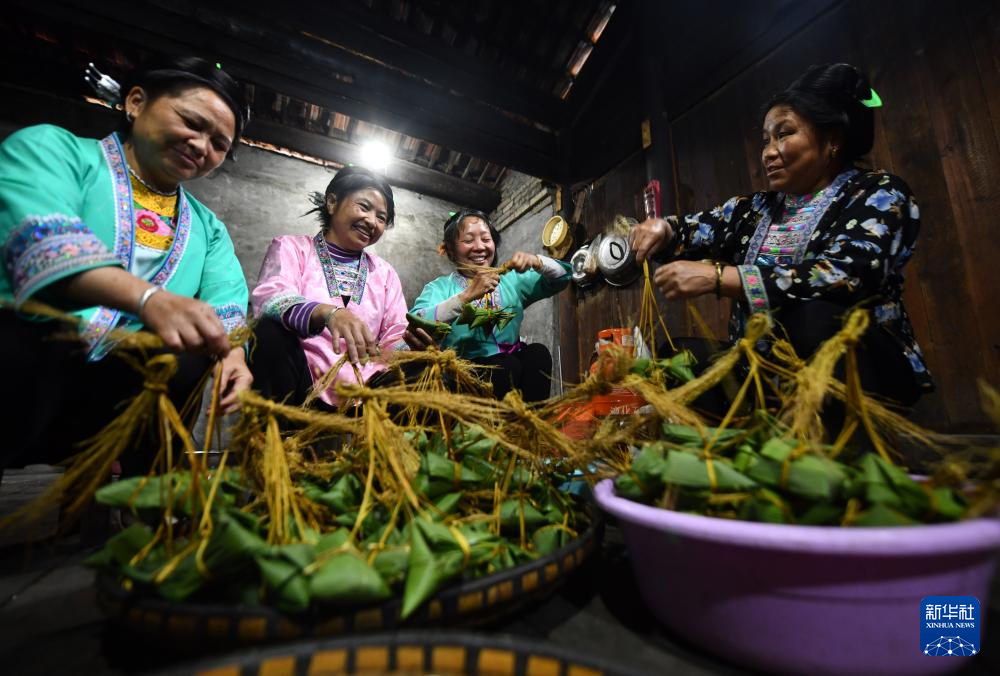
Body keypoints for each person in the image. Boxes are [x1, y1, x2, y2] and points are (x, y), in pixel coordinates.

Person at [0, 57, 252, 470]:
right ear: (136, 102)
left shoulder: (208, 229)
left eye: (219, 144)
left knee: (187, 358)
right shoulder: (52, 150)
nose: (201, 145)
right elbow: (40, 241)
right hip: (27, 365)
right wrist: (149, 300)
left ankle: (138, 495)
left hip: (120, 385)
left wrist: (233, 356)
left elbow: (226, 299)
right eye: (192, 122)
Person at [631, 62, 932, 409]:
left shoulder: (879, 194)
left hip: (860, 367)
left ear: (832, 140)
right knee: (678, 358)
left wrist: (720, 278)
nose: (769, 152)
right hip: (765, 371)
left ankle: (834, 435)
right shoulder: (756, 209)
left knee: (812, 319)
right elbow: (694, 229)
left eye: (784, 134)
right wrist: (664, 229)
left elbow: (844, 277)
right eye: (766, 140)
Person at [250, 166, 432, 409]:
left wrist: (411, 345)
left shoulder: (385, 273)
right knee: (269, 330)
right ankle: (278, 428)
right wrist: (328, 313)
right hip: (298, 379)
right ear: (332, 202)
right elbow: (272, 298)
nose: (372, 221)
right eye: (364, 207)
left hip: (365, 391)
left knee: (427, 372)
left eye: (381, 217)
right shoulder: (293, 248)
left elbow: (395, 332)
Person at [410, 210, 571, 402]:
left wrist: (538, 261)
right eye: (468, 240)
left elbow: (563, 277)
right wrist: (465, 297)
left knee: (537, 354)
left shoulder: (510, 280)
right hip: (465, 378)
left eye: (486, 239)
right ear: (451, 250)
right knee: (505, 367)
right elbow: (416, 323)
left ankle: (528, 419)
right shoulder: (440, 288)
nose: (480, 247)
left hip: (511, 368)